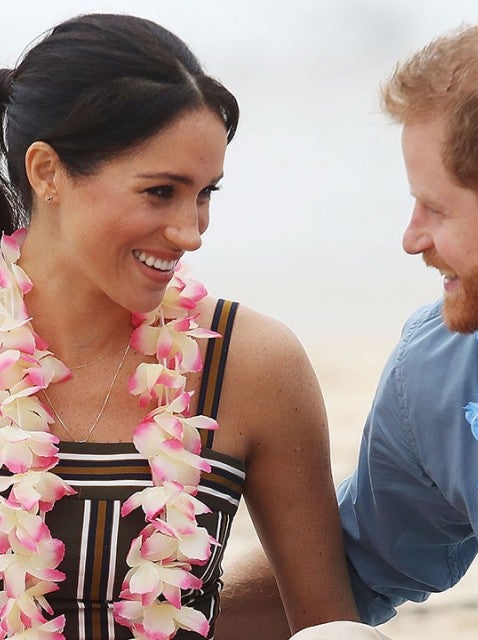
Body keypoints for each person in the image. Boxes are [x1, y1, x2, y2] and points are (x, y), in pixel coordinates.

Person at [219, 12, 478, 640]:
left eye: (435, 208)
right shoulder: (442, 366)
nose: (412, 239)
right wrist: (102, 615)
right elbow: (349, 576)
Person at [0, 13, 358, 640]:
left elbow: (325, 623)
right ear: (48, 172)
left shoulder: (251, 363)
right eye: (161, 191)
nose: (191, 231)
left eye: (205, 193)